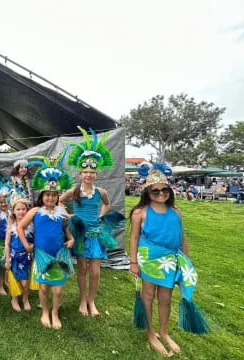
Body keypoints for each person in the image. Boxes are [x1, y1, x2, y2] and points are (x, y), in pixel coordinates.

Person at [129, 163, 209, 356]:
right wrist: (133, 262)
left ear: (169, 190)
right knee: (148, 296)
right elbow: (134, 237)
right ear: (147, 192)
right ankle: (150, 332)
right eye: (155, 191)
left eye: (164, 190)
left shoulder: (176, 212)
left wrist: (186, 261)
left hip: (171, 260)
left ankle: (164, 332)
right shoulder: (140, 212)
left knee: (165, 298)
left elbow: (182, 237)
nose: (160, 193)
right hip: (150, 260)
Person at [59, 127, 117, 317]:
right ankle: (83, 299)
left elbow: (107, 205)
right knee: (82, 269)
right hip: (80, 233)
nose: (89, 175)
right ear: (80, 174)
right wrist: (68, 215)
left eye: (92, 172)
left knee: (96, 272)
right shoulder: (75, 190)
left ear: (96, 174)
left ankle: (92, 301)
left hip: (96, 233)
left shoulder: (101, 192)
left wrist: (100, 216)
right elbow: (58, 200)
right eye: (85, 172)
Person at [17, 154, 74, 329]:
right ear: (42, 196)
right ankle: (44, 312)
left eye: (53, 195)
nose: (50, 198)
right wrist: (27, 245)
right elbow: (20, 227)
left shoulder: (61, 212)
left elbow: (65, 229)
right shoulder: (35, 211)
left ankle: (55, 312)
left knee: (58, 289)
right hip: (42, 255)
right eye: (47, 195)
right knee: (43, 288)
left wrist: (71, 239)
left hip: (59, 255)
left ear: (58, 196)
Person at [4, 191, 33, 312]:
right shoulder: (11, 225)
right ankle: (14, 299)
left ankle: (25, 299)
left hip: (26, 257)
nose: (21, 212)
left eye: (23, 209)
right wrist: (7, 260)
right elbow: (7, 243)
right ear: (13, 211)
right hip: (14, 257)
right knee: (14, 279)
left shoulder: (31, 225)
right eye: (18, 209)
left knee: (25, 282)